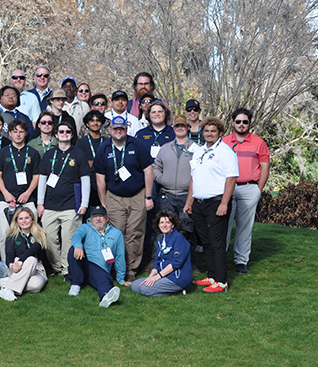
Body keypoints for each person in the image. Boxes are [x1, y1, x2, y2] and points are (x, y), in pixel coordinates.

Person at [93, 115, 154, 282]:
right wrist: (104, 201)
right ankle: (115, 267)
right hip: (114, 196)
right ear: (110, 129)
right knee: (116, 233)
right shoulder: (104, 148)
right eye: (115, 128)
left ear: (126, 129)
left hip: (137, 195)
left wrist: (148, 196)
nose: (118, 131)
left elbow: (148, 171)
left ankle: (131, 269)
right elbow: (100, 178)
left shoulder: (137, 145)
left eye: (122, 128)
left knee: (135, 233)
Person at [184, 117, 238, 293]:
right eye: (206, 131)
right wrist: (189, 202)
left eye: (213, 131)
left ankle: (221, 282)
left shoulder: (225, 151)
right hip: (199, 204)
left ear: (220, 133)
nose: (209, 134)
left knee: (216, 242)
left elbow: (231, 178)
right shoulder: (199, 151)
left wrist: (224, 203)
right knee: (206, 242)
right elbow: (194, 178)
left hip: (216, 202)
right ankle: (212, 275)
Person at [37, 120, 90, 277]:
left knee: (69, 239)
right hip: (50, 206)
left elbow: (85, 179)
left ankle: (67, 269)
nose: (64, 134)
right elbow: (42, 180)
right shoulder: (49, 155)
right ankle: (56, 266)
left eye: (68, 132)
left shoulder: (79, 155)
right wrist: (40, 203)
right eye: (61, 132)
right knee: (49, 238)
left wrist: (84, 203)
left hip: (71, 205)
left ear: (72, 135)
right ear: (56, 135)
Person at [223, 108, 270, 275]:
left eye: (245, 122)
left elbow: (265, 167)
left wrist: (258, 189)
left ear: (250, 123)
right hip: (228, 188)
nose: (241, 124)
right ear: (233, 122)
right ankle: (220, 259)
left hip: (250, 188)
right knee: (224, 225)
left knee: (245, 227)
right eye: (238, 121)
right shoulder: (224, 141)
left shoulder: (259, 142)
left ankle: (241, 261)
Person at [0, 119, 41, 261]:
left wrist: (27, 193)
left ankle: (32, 264)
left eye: (21, 131)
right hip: (5, 199)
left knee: (33, 233)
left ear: (26, 133)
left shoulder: (33, 153)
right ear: (10, 133)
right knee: (4, 234)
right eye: (15, 131)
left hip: (27, 199)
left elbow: (36, 176)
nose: (18, 135)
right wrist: (6, 193)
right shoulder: (3, 153)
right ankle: (6, 265)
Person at [67, 205, 128, 308]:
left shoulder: (116, 233)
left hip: (100, 269)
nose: (98, 219)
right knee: (73, 249)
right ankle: (76, 285)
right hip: (83, 264)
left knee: (104, 279)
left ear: (107, 218)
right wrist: (78, 246)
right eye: (95, 216)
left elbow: (119, 256)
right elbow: (77, 236)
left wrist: (121, 279)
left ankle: (105, 297)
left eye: (101, 216)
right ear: (91, 218)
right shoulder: (85, 227)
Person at [153, 115, 196, 257]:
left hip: (187, 195)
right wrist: (162, 179)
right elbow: (155, 167)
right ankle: (159, 259)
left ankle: (188, 260)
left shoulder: (196, 149)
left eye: (183, 126)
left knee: (187, 228)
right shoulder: (165, 148)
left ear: (188, 128)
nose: (180, 128)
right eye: (177, 126)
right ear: (173, 128)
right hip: (167, 194)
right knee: (163, 227)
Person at [0, 207, 48, 301]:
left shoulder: (40, 234)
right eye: (21, 219)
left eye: (27, 218)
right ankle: (7, 290)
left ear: (32, 219)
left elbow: (34, 248)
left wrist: (21, 260)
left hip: (36, 268)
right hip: (16, 267)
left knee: (36, 286)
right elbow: (9, 259)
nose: (24, 221)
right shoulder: (11, 237)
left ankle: (7, 283)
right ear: (17, 221)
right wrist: (13, 266)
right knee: (31, 259)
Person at [130, 211, 192, 296]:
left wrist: (157, 277)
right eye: (162, 222)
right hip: (164, 275)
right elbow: (157, 263)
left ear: (173, 225)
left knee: (144, 289)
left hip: (177, 278)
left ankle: (175, 291)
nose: (164, 225)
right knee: (134, 286)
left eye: (167, 222)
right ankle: (163, 287)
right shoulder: (161, 241)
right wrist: (151, 277)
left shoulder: (179, 238)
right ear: (158, 225)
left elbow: (177, 262)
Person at [76, 110, 107, 207]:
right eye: (92, 120)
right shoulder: (81, 142)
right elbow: (81, 163)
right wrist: (101, 164)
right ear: (87, 124)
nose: (95, 123)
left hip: (106, 182)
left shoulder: (107, 141)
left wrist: (91, 163)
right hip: (88, 183)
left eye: (98, 120)